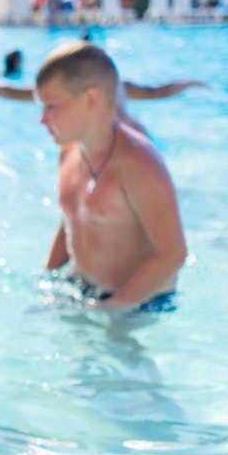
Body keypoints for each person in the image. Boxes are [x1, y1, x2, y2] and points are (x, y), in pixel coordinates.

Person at [33, 41, 186, 313]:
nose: (42, 119)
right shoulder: (69, 151)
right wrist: (48, 277)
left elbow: (172, 254)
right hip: (80, 288)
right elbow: (72, 218)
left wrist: (112, 309)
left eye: (51, 106)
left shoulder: (137, 161)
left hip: (138, 303)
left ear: (92, 99)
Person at [0, 68, 207, 137]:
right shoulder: (117, 86)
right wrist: (189, 84)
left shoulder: (69, 93)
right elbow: (158, 92)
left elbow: (15, 93)